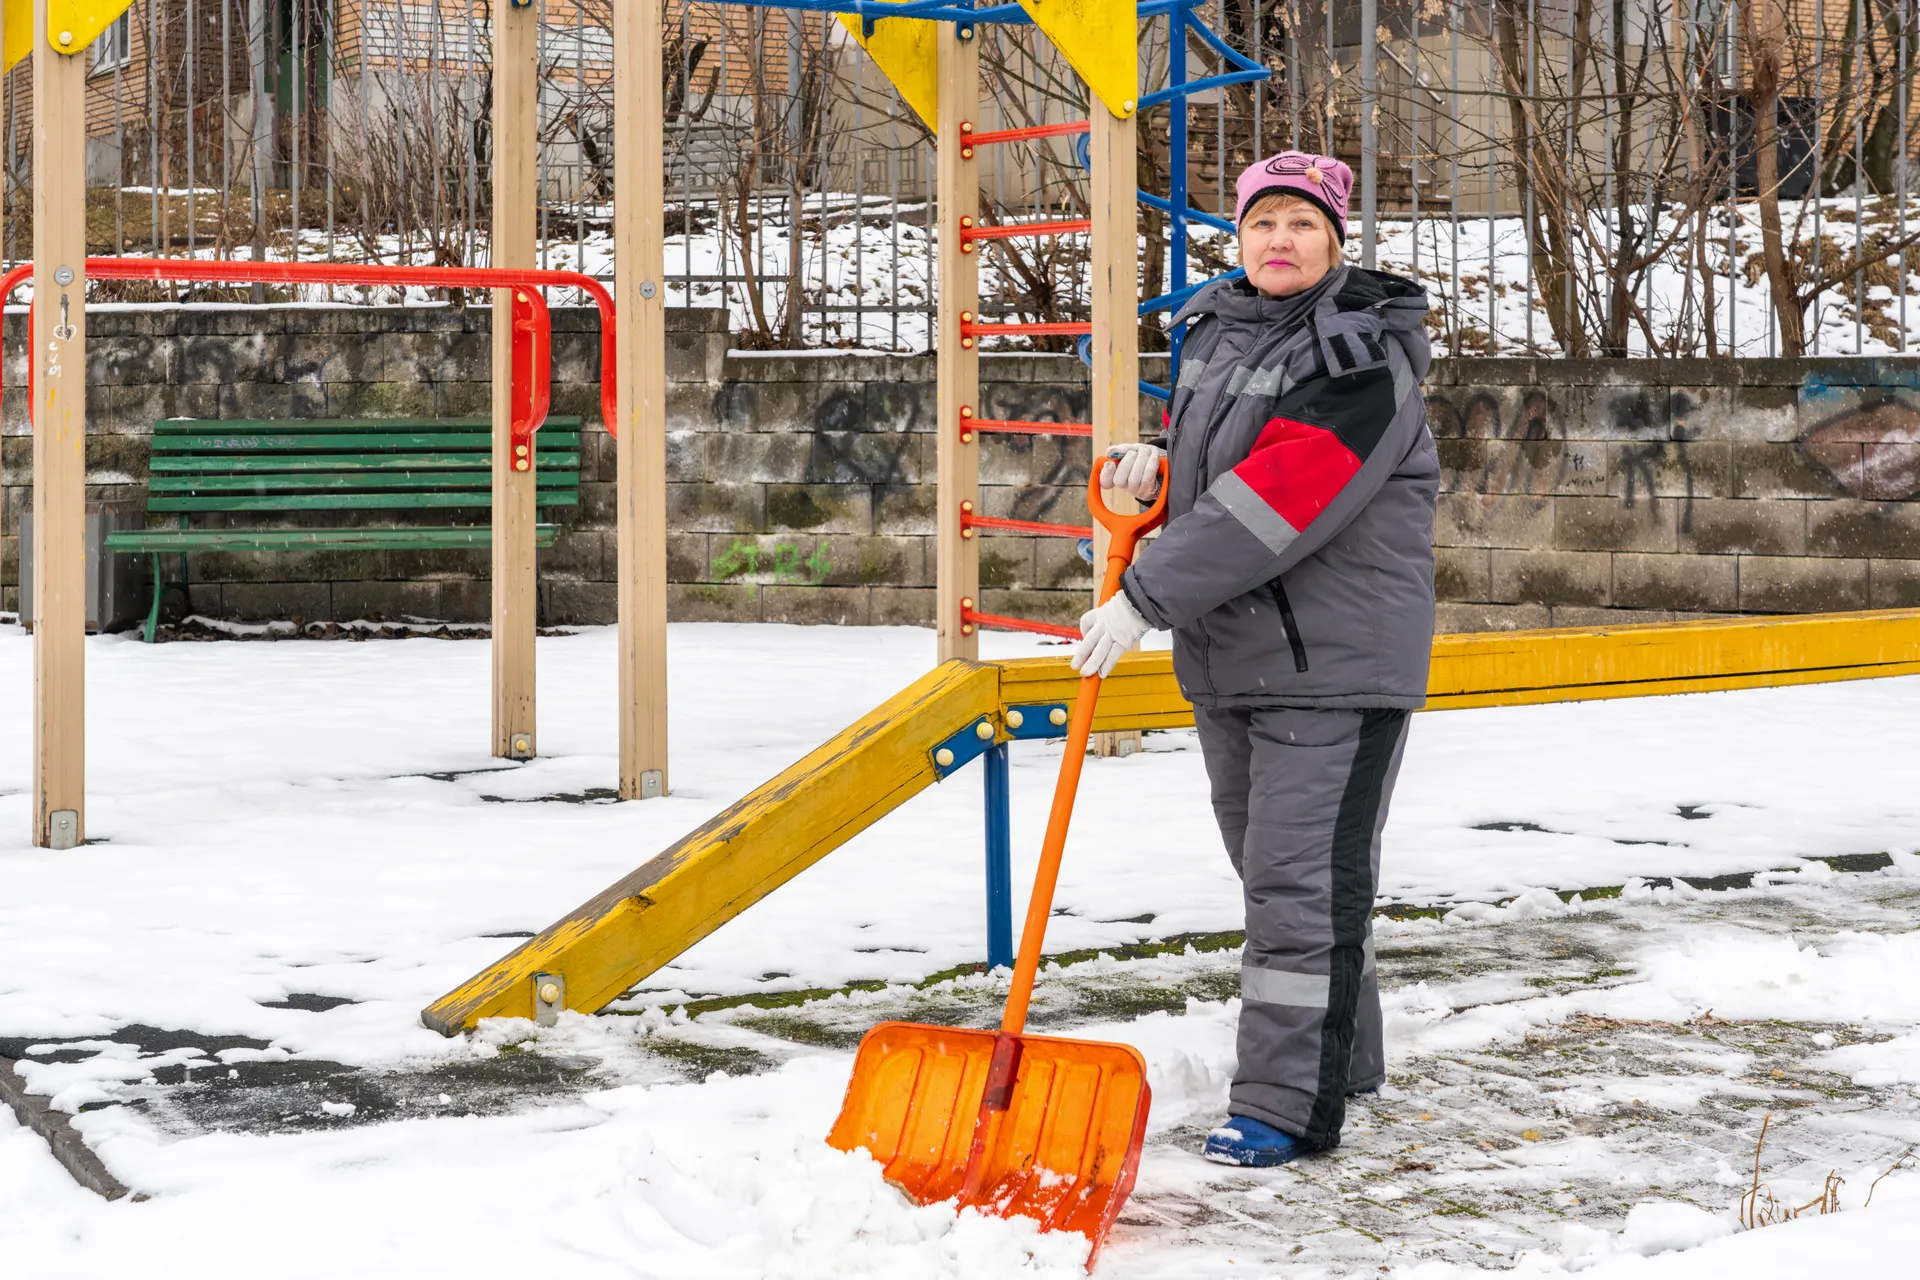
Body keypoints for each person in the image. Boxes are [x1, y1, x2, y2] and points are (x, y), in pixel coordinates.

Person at [1070, 152, 1438, 1167]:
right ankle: (1340, 1060)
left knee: (1296, 889)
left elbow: (1282, 494)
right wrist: (1157, 472)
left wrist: (1144, 594)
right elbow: (1228, 479)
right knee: (1295, 883)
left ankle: (1284, 1103)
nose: (1280, 239)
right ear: (1239, 237)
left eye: (1303, 224)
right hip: (1237, 656)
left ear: (1336, 241)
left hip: (1333, 662)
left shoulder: (1366, 355)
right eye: (1263, 221)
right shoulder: (1222, 332)